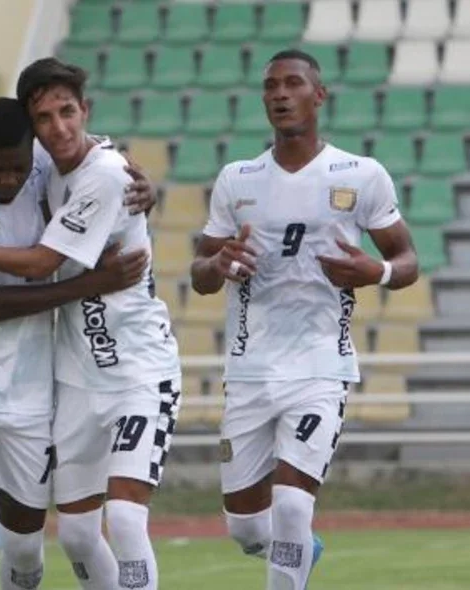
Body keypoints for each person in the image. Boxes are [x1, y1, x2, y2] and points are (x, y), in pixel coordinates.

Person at [0, 58, 182, 590]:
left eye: (68, 112)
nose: (59, 127)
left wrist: (142, 197)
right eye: (45, 118)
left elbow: (46, 260)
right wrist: (91, 282)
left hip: (120, 372)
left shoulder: (98, 173)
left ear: (84, 111)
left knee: (105, 526)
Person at [191, 49, 420, 590]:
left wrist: (376, 270)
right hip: (250, 370)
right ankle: (297, 553)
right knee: (247, 526)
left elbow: (408, 260)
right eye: (270, 85)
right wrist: (218, 263)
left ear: (319, 95)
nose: (279, 93)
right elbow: (201, 274)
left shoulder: (360, 175)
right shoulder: (237, 179)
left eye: (293, 83)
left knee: (292, 505)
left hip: (320, 366)